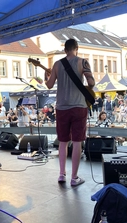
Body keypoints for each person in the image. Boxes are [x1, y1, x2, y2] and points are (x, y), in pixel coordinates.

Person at [45, 38, 95, 186]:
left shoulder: (57, 64)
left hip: (61, 107)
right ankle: (74, 178)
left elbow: (48, 85)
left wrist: (48, 75)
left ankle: (61, 175)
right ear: (76, 48)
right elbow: (91, 83)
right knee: (78, 141)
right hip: (79, 106)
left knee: (63, 141)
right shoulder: (83, 62)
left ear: (65, 50)